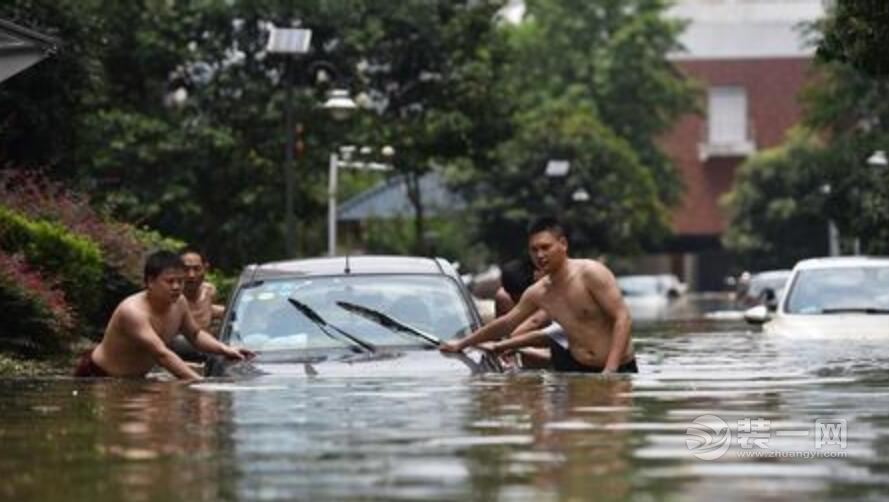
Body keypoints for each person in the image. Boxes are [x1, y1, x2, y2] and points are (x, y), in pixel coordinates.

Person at [441, 216, 636, 374]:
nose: (540, 255)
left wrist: (611, 369)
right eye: (534, 250)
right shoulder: (539, 292)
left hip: (617, 368)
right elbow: (507, 323)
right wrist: (462, 343)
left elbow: (622, 317)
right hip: (579, 371)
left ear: (563, 244)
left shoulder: (591, 273)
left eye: (545, 247)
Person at [73, 250, 253, 379]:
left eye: (180, 281)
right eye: (170, 281)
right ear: (150, 282)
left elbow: (195, 335)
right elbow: (162, 354)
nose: (176, 287)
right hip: (98, 376)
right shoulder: (132, 312)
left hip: (135, 379)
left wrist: (225, 349)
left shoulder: (179, 302)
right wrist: (200, 384)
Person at [169, 247, 225, 361]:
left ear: (205, 268)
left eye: (196, 269)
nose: (191, 275)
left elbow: (208, 310)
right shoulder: (170, 298)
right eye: (186, 269)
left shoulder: (209, 291)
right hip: (177, 356)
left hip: (207, 353)